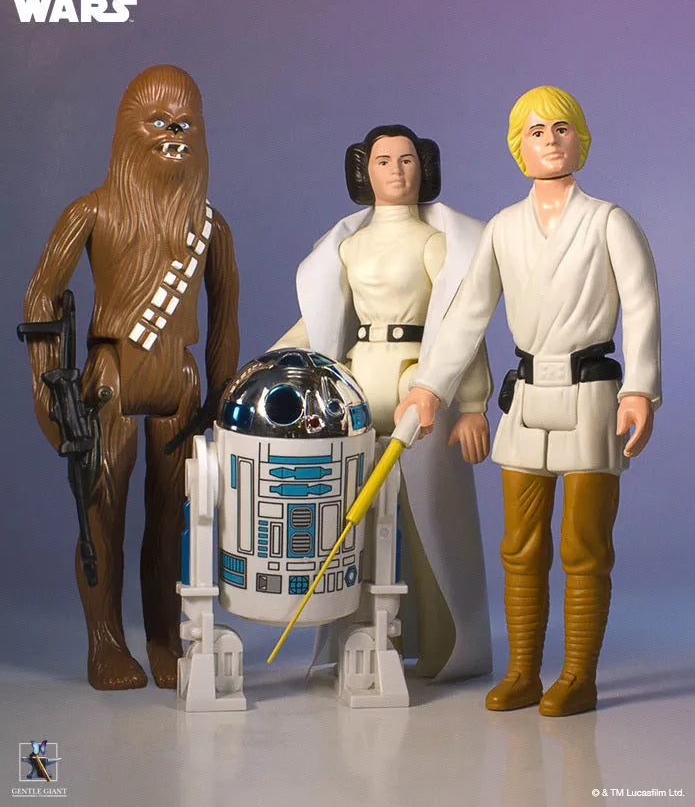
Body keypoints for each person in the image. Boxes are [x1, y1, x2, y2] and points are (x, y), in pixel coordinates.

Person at [396, 87, 661, 715]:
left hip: (591, 394)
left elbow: (642, 305)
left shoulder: (608, 221)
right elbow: (468, 313)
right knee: (520, 545)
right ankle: (522, 671)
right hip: (526, 395)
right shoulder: (503, 229)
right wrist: (431, 383)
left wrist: (639, 389)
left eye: (561, 128)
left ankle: (578, 676)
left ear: (580, 138)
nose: (550, 140)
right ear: (519, 146)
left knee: (584, 546)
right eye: (536, 130)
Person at [22, 65, 239, 690]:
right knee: (101, 516)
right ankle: (105, 644)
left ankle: (166, 638)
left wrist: (221, 397)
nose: (173, 133)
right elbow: (41, 299)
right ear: (127, 130)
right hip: (110, 374)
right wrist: (48, 391)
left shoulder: (210, 226)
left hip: (182, 379)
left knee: (176, 521)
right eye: (158, 121)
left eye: (186, 123)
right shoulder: (90, 211)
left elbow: (225, 317)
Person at [274, 124, 492, 680]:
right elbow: (320, 321)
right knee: (354, 515)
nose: (396, 170)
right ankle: (359, 636)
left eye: (407, 159)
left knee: (426, 519)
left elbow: (463, 323)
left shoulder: (435, 243)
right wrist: (270, 361)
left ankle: (443, 643)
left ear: (425, 167)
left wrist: (472, 404)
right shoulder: (348, 247)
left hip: (419, 382)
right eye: (383, 160)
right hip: (356, 382)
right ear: (363, 170)